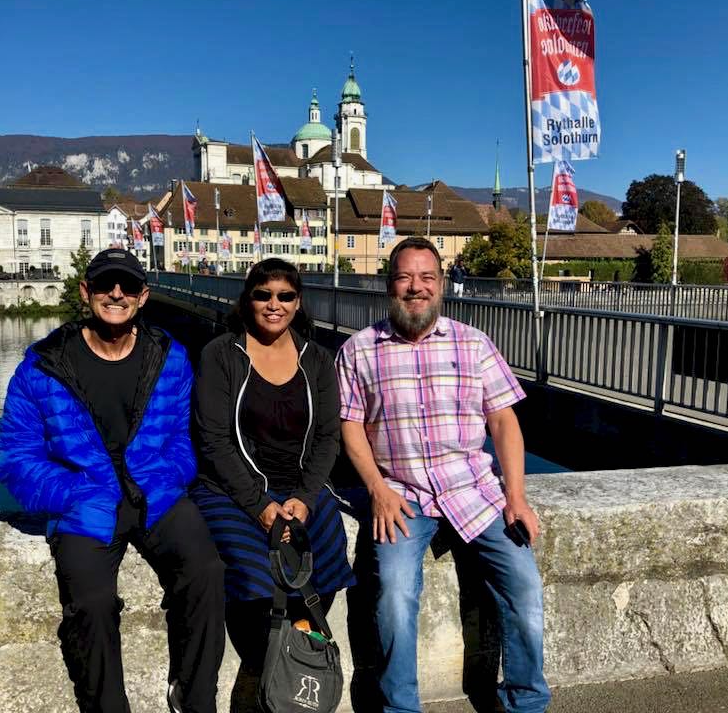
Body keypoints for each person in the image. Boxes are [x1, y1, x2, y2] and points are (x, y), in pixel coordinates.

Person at [0, 249, 225, 713]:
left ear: (143, 296)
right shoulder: (42, 366)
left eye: (126, 286)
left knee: (207, 573)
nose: (115, 294)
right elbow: (17, 461)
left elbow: (184, 440)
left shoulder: (169, 357)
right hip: (87, 503)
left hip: (156, 495)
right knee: (93, 605)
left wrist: (168, 476)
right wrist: (75, 493)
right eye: (104, 284)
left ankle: (195, 697)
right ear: (86, 292)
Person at [335, 237, 550, 713]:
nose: (416, 287)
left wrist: (516, 497)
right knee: (394, 595)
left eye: (427, 277)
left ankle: (526, 703)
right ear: (389, 286)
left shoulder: (474, 343)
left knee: (524, 585)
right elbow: (350, 427)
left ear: (442, 285)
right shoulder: (358, 350)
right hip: (401, 494)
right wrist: (376, 489)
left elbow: (503, 422)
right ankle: (401, 708)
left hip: (473, 489)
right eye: (405, 278)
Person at [190, 257, 354, 712]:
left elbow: (327, 438)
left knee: (327, 548)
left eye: (285, 296)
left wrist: (305, 497)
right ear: (248, 300)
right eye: (263, 295)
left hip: (299, 489)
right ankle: (272, 683)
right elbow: (213, 441)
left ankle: (298, 666)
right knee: (252, 571)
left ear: (298, 303)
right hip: (231, 490)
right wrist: (259, 504)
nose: (273, 304)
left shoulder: (316, 360)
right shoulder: (221, 355)